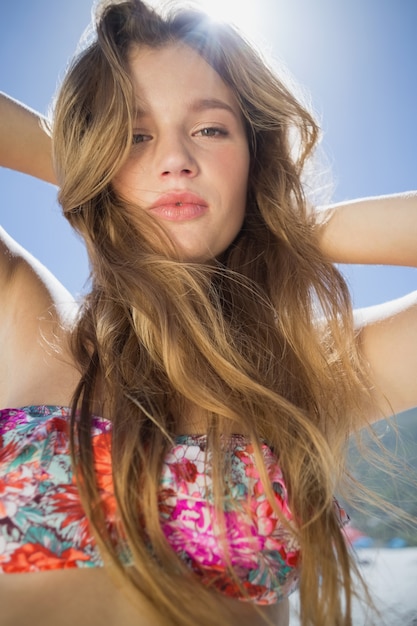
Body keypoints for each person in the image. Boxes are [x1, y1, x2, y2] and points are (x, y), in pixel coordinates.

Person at [0, 1, 416, 625]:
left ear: (255, 156)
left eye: (211, 130)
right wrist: (87, 166)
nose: (176, 160)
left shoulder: (314, 367)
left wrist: (280, 218)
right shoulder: (24, 319)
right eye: (135, 134)